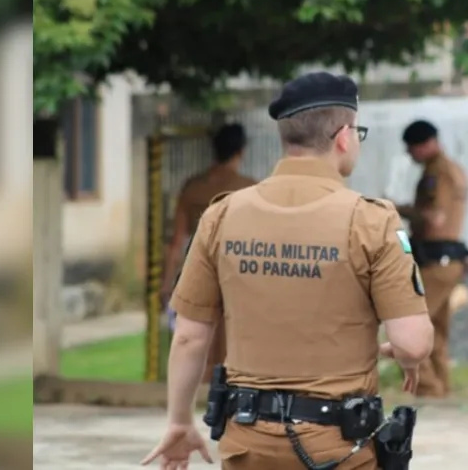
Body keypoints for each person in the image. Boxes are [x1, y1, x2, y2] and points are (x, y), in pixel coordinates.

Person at [142, 72, 434, 470]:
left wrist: (179, 421)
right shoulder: (373, 220)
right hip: (336, 446)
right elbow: (413, 343)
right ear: (344, 136)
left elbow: (190, 336)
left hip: (247, 443)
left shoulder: (222, 214)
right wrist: (404, 353)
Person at [160, 123, 258, 382]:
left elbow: (177, 242)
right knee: (227, 349)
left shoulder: (192, 188)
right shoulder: (249, 189)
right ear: (241, 151)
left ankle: (196, 400)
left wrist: (167, 284)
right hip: (236, 276)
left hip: (196, 271)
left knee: (196, 341)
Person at [394, 120, 468, 399]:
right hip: (448, 262)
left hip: (435, 261)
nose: (409, 155)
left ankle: (428, 388)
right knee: (436, 329)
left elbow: (435, 218)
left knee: (410, 325)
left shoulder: (437, 173)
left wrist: (397, 208)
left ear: (425, 144)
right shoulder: (454, 170)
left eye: (411, 148)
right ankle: (442, 390)